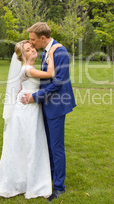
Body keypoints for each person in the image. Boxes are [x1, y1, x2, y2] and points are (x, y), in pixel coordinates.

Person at [0, 40, 62, 199]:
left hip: (31, 107)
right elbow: (50, 74)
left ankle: (27, 178)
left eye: (32, 48)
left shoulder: (29, 68)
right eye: (28, 50)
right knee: (28, 144)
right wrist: (51, 53)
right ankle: (23, 181)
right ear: (22, 56)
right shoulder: (28, 69)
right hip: (26, 111)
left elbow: (26, 85)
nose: (33, 51)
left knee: (28, 144)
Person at [21, 22, 76, 202]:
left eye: (33, 39)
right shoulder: (47, 51)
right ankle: (51, 177)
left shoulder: (59, 52)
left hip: (57, 105)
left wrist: (35, 96)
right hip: (47, 104)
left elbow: (58, 82)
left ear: (43, 38)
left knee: (56, 147)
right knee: (49, 145)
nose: (31, 43)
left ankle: (59, 187)